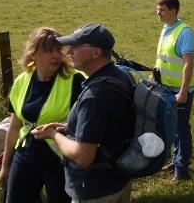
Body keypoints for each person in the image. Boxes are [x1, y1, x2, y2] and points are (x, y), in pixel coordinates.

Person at [32, 24, 134, 202]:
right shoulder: (119, 75)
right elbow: (108, 124)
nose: (69, 51)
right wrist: (67, 127)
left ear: (95, 53)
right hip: (118, 180)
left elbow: (83, 156)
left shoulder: (95, 96)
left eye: (76, 46)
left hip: (95, 190)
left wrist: (53, 135)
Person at [0, 27, 84, 203]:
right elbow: (15, 127)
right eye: (49, 51)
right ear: (33, 54)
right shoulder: (22, 80)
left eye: (58, 50)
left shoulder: (76, 80)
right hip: (26, 153)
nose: (56, 56)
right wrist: (5, 166)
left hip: (60, 158)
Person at [154, 0, 194, 181]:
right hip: (165, 87)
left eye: (162, 10)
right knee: (171, 129)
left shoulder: (185, 32)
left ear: (173, 10)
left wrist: (182, 92)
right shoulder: (166, 28)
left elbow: (188, 65)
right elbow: (163, 57)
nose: (158, 13)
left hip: (179, 90)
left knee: (181, 128)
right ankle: (176, 159)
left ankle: (182, 170)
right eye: (157, 10)